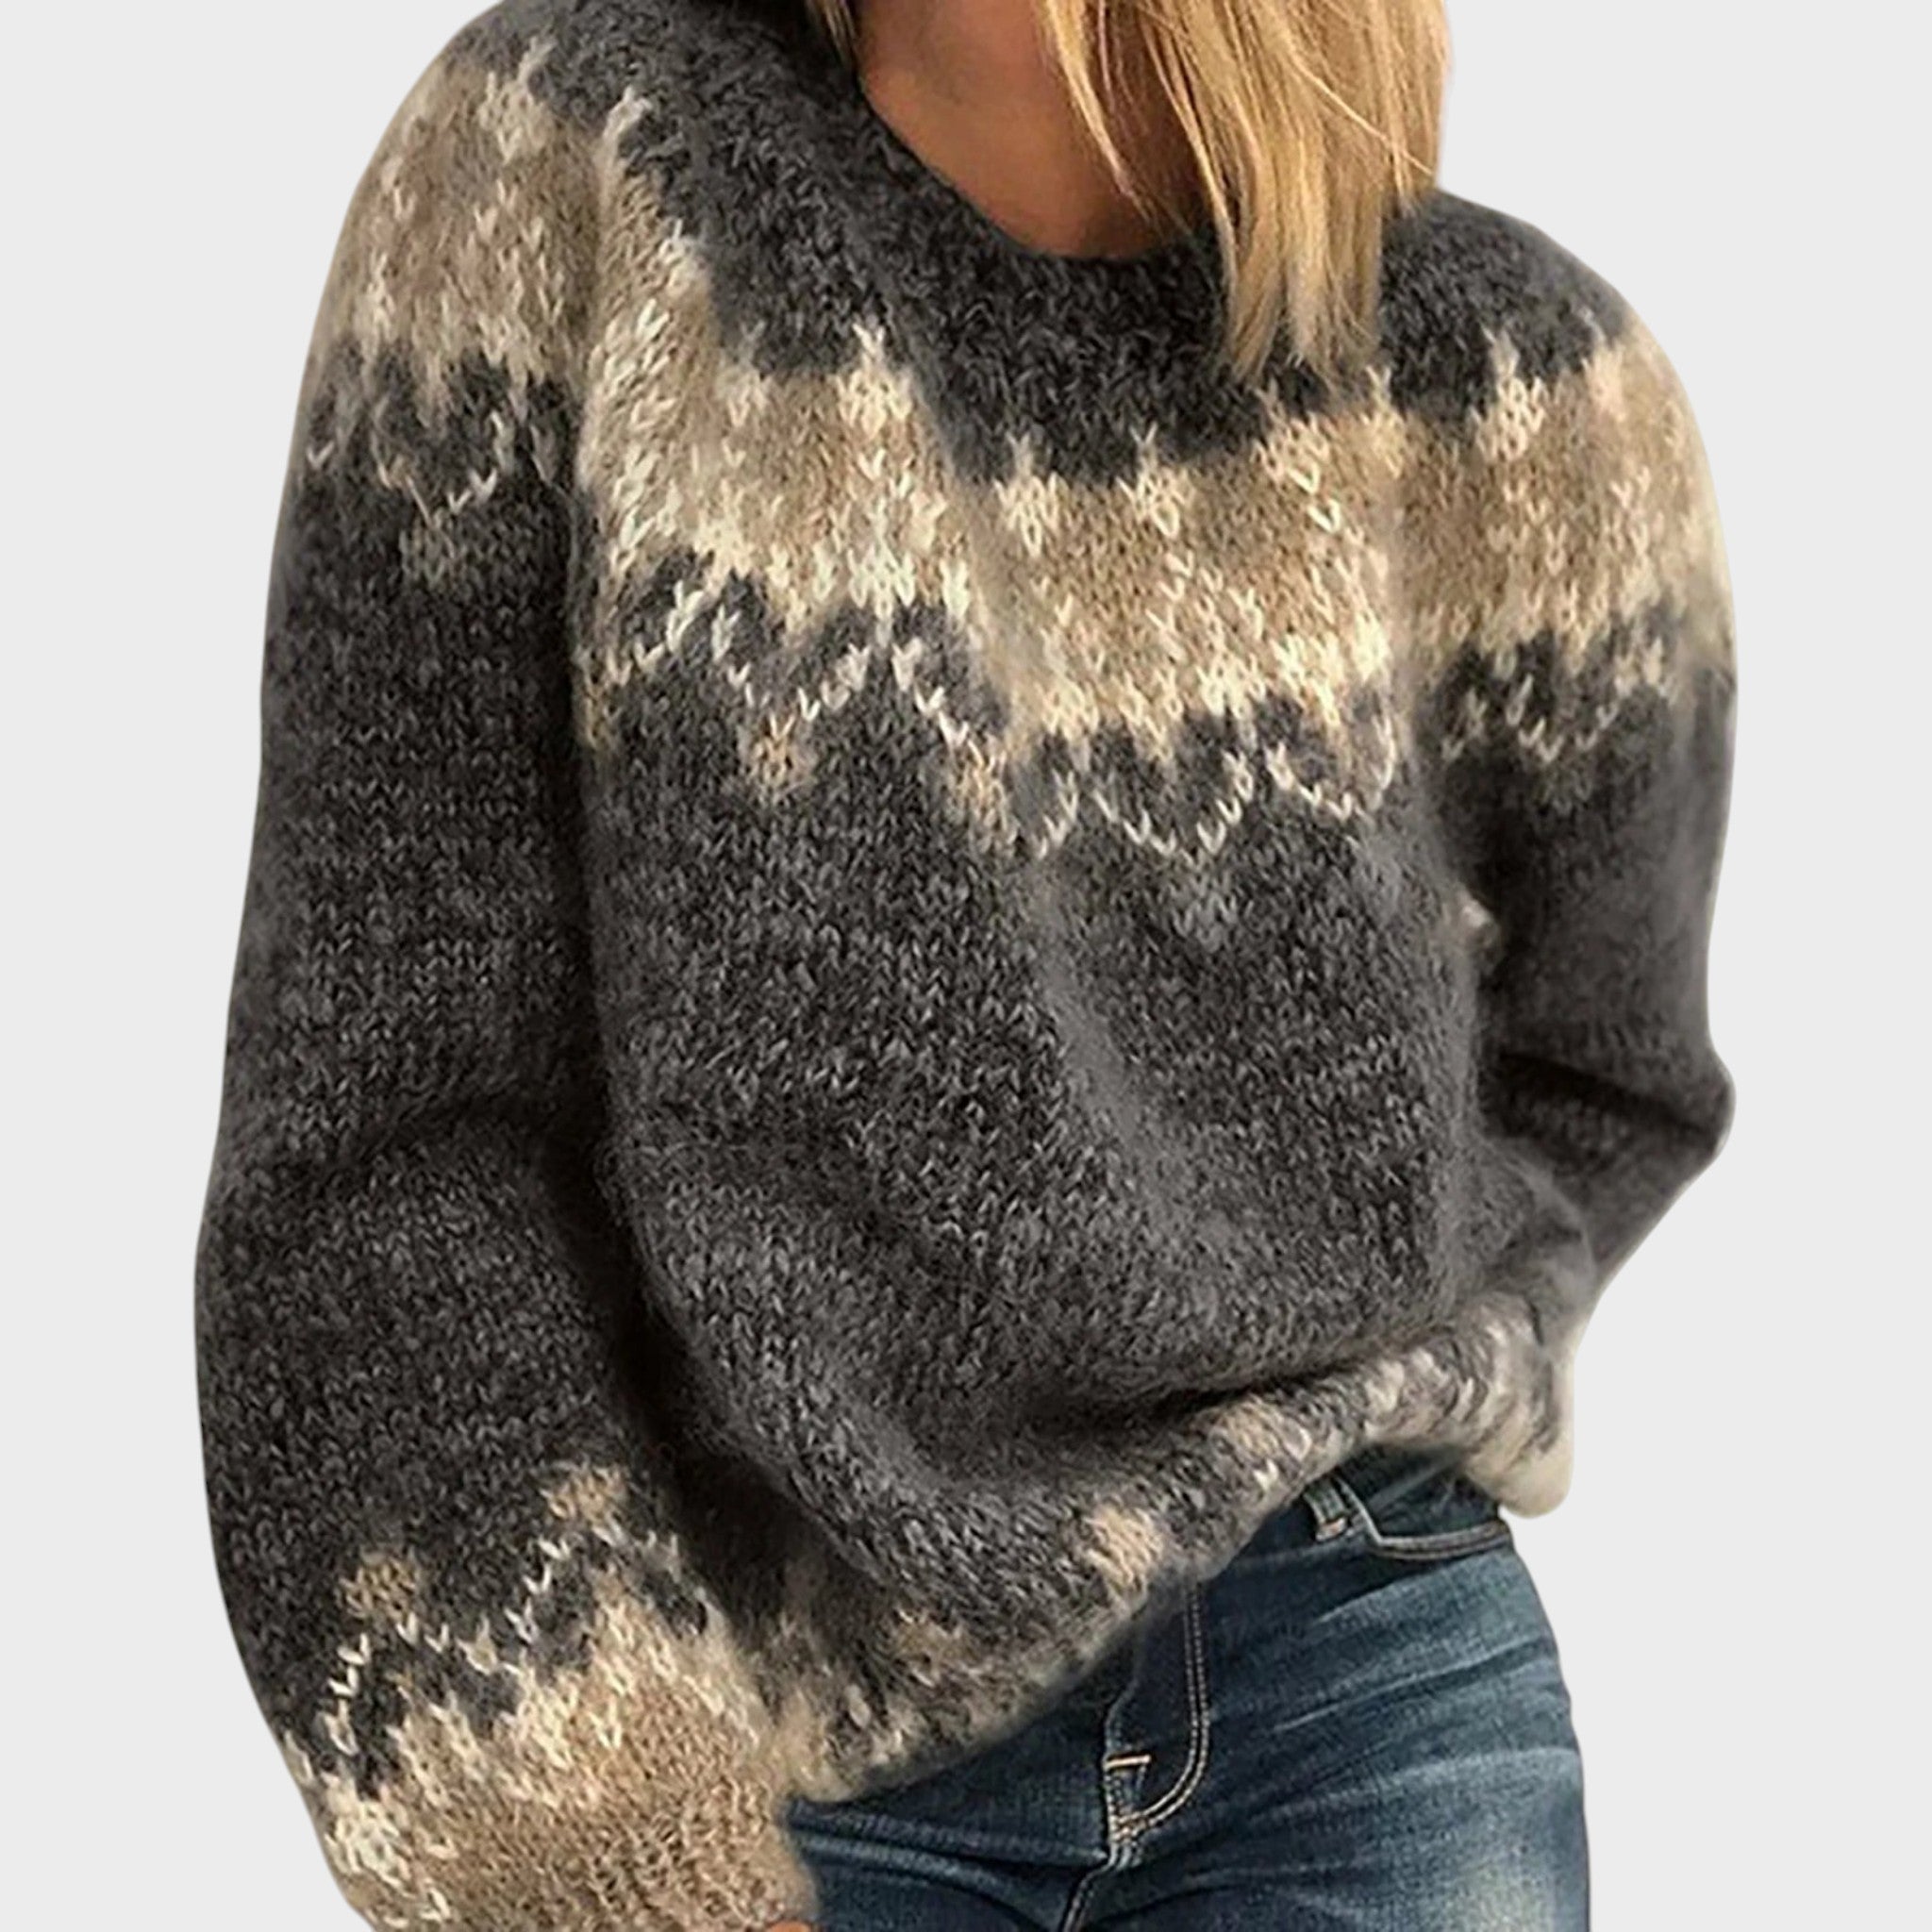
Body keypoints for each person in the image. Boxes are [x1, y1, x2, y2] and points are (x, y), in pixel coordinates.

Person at [192, 1, 1737, 1926]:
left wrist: (1360, 1297)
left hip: (1368, 1680)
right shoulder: (584, 159)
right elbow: (390, 1132)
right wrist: (598, 1841)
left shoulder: (1514, 377)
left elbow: (1598, 1067)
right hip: (763, 1744)